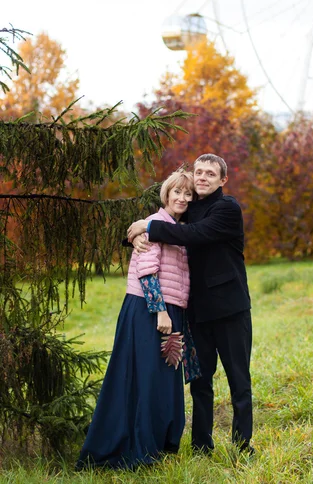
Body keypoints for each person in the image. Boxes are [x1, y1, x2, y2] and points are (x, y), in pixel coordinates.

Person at [127, 154, 253, 455]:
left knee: (239, 380)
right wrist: (135, 233)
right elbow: (169, 223)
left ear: (222, 180)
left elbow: (194, 235)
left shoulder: (227, 208)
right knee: (199, 381)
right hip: (196, 312)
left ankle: (242, 445)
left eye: (210, 173)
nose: (202, 177)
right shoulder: (189, 209)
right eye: (199, 172)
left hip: (230, 310)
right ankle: (200, 445)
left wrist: (147, 226)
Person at [76, 170, 195, 470]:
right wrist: (161, 312)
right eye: (176, 192)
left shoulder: (177, 228)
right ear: (166, 194)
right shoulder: (152, 228)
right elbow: (146, 271)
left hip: (171, 311)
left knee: (160, 380)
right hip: (148, 310)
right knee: (143, 378)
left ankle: (154, 445)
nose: (182, 198)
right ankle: (133, 448)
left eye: (188, 194)